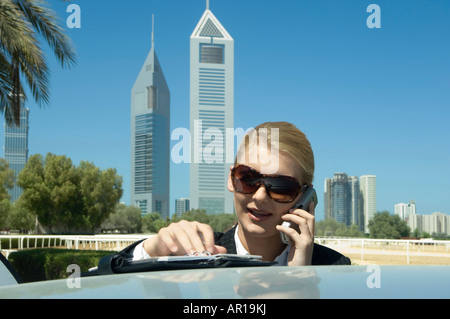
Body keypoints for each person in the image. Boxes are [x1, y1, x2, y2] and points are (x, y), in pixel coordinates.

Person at [130, 121, 350, 266]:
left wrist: (301, 280)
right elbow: (104, 280)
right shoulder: (194, 254)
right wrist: (151, 251)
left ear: (305, 198)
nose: (260, 196)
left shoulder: (333, 266)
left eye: (281, 186)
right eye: (248, 178)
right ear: (231, 178)